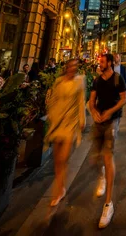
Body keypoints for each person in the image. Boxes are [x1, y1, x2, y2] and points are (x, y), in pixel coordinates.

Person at [89, 53, 126, 229]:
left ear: (110, 63)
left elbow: (124, 98)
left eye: (103, 61)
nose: (100, 63)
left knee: (107, 155)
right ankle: (102, 175)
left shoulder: (118, 79)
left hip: (112, 121)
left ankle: (108, 204)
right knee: (94, 158)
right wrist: (94, 111)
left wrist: (111, 111)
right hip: (99, 121)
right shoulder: (97, 80)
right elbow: (91, 101)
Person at [45, 58, 86, 206]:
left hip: (70, 123)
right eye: (71, 66)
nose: (73, 68)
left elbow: (81, 101)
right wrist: (51, 115)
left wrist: (82, 120)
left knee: (63, 158)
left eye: (75, 66)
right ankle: (60, 187)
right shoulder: (59, 81)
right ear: (66, 67)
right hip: (58, 122)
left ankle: (58, 190)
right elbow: (53, 100)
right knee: (57, 159)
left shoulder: (79, 81)